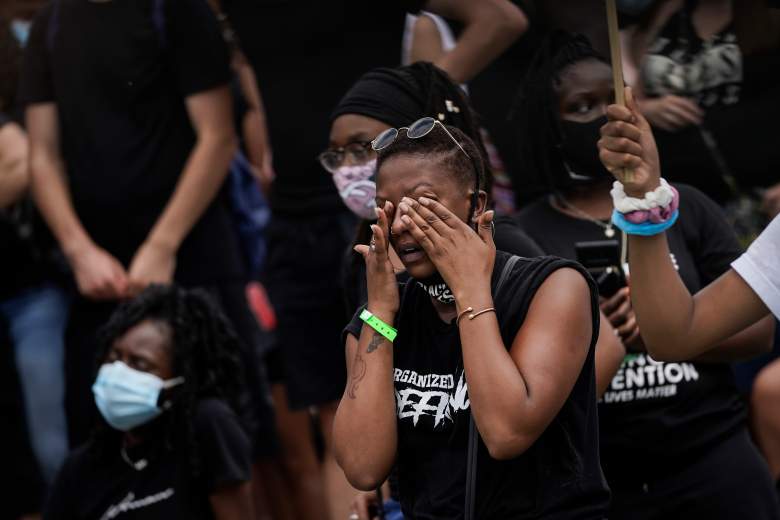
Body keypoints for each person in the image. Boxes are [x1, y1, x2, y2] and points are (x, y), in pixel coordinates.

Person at [222, 2, 528, 518]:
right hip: (295, 226)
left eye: (365, 147)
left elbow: (502, 16)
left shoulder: (513, 254)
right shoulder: (363, 266)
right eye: (337, 154)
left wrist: (424, 99)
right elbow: (359, 460)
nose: (351, 168)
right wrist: (379, 317)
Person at [513, 32, 778, 519]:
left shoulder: (689, 206)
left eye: (610, 102)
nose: (601, 118)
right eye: (581, 106)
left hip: (714, 461)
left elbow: (758, 331)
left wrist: (653, 327)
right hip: (606, 483)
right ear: (549, 126)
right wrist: (599, 337)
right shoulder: (522, 238)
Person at [19, 0, 276, 474]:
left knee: (233, 438)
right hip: (99, 278)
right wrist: (79, 251)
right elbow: (42, 156)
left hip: (194, 260)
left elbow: (217, 137)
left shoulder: (177, 10)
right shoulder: (50, 26)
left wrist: (162, 245)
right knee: (103, 449)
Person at [333, 122, 610, 519]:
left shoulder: (552, 288)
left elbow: (506, 433)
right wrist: (379, 316)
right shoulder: (380, 317)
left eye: (422, 202)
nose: (398, 225)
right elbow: (362, 467)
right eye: (387, 207)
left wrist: (470, 292)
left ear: (476, 205)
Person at [44, 285, 254, 519]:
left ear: (182, 376)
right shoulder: (79, 470)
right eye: (114, 356)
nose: (119, 372)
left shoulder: (207, 426)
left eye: (140, 364)